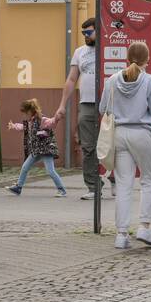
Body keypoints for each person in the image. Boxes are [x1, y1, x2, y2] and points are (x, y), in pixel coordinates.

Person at [99, 41, 151, 249]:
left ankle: (121, 234)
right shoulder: (149, 82)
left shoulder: (112, 81)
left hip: (119, 134)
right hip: (142, 133)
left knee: (124, 184)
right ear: (148, 60)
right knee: (150, 179)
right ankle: (144, 227)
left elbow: (103, 108)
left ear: (127, 59)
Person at [55, 17, 103, 201]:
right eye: (83, 33)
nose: (85, 36)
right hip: (87, 103)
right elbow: (71, 79)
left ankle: (115, 179)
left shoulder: (108, 49)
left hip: (108, 104)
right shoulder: (80, 52)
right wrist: (62, 105)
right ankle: (93, 186)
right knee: (89, 146)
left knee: (112, 144)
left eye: (89, 32)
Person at [6, 100, 67, 197]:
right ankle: (18, 187)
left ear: (31, 111)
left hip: (46, 150)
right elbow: (23, 127)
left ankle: (62, 190)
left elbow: (51, 123)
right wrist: (14, 126)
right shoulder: (30, 122)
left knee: (50, 171)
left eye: (26, 112)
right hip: (36, 150)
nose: (25, 115)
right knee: (25, 167)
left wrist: (56, 118)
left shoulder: (42, 120)